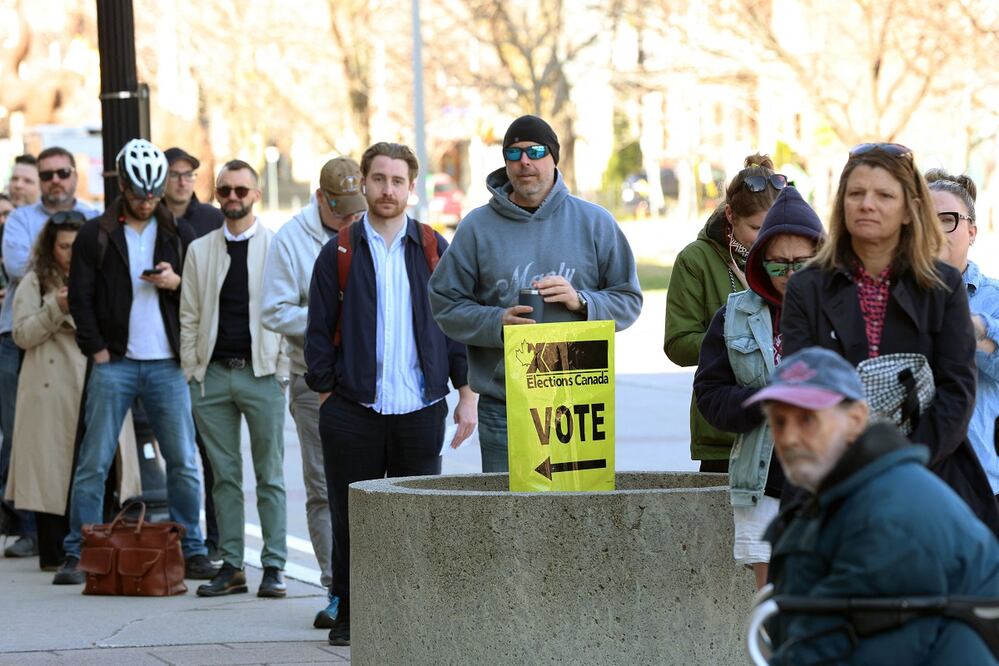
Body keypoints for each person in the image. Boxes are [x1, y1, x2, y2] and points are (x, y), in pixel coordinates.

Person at [780, 142, 999, 534]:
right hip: (832, 483)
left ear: (907, 209)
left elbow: (956, 391)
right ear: (841, 204)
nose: (868, 204)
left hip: (932, 481)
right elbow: (801, 387)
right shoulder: (807, 288)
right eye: (856, 193)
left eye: (884, 195)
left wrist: (900, 466)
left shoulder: (942, 285)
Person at [306, 142, 475, 646]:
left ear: (411, 187)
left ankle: (413, 617)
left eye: (397, 181)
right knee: (351, 517)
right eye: (378, 179)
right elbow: (317, 332)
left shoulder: (432, 248)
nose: (387, 189)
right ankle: (351, 615)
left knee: (416, 518)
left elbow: (455, 326)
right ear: (363, 182)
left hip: (420, 408)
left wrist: (464, 391)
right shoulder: (338, 250)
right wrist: (326, 396)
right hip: (353, 409)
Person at [744, 346, 999, 665]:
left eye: (808, 419)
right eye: (779, 422)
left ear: (856, 419)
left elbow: (831, 645)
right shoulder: (844, 496)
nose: (790, 437)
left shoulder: (889, 510)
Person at [428, 115, 642, 472]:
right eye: (513, 153)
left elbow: (629, 300)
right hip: (505, 404)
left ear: (553, 158)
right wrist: (497, 321)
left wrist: (582, 301)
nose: (524, 161)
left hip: (578, 404)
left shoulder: (594, 222)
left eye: (535, 151)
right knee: (508, 519)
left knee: (575, 517)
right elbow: (445, 303)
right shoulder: (476, 228)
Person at [56, 139, 215, 584]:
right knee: (95, 459)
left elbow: (198, 297)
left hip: (167, 364)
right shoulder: (96, 233)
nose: (147, 202)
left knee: (183, 458)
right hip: (116, 363)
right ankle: (79, 548)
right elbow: (81, 298)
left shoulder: (178, 233)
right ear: (122, 186)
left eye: (154, 193)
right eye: (138, 194)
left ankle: (192, 546)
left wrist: (174, 282)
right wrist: (98, 350)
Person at [693, 187, 823, 590]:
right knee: (772, 607)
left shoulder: (843, 310)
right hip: (765, 483)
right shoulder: (733, 316)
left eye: (801, 265)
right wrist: (767, 400)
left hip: (830, 480)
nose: (788, 276)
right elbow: (711, 395)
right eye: (778, 265)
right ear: (760, 261)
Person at [261, 156, 367, 628]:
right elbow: (272, 310)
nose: (350, 219)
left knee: (368, 485)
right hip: (313, 378)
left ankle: (374, 584)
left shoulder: (369, 226)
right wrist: (324, 320)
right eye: (341, 211)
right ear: (321, 199)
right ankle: (335, 589)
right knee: (324, 486)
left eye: (355, 210)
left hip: (368, 377)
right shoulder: (290, 238)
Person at [5, 212, 140, 570]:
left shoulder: (105, 276)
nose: (70, 253)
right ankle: (59, 554)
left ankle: (98, 550)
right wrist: (56, 307)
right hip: (52, 391)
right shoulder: (34, 282)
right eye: (63, 246)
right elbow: (21, 335)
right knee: (54, 473)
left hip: (100, 377)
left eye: (75, 245)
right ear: (51, 248)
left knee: (102, 466)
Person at [180, 160, 287, 598]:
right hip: (212, 377)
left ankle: (275, 566)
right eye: (224, 190)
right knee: (223, 476)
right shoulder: (200, 249)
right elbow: (188, 315)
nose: (232, 198)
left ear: (256, 195)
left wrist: (280, 370)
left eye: (241, 190)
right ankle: (232, 565)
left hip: (260, 375)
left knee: (271, 475)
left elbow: (288, 312)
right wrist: (192, 371)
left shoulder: (275, 247)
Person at [0, 146, 100, 557]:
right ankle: (33, 531)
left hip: (90, 361)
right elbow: (19, 265)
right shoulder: (22, 221)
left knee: (89, 451)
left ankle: (92, 535)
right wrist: (58, 305)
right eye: (47, 175)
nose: (55, 180)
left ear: (75, 174)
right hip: (36, 358)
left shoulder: (94, 215)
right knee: (30, 445)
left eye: (62, 173)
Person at [665, 154, 785, 472]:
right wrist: (737, 336)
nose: (767, 239)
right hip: (723, 437)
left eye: (773, 227)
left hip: (788, 436)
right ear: (731, 215)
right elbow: (677, 343)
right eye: (756, 228)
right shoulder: (696, 260)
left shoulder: (788, 258)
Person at [163, 145, 225, 561]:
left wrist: (178, 283)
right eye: (174, 174)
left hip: (208, 351)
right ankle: (183, 542)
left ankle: (218, 541)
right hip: (163, 350)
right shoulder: (150, 218)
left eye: (189, 174)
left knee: (212, 455)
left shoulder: (212, 221)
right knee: (178, 453)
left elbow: (223, 289)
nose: (182, 181)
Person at [926, 168, 999, 499]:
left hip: (983, 478)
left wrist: (969, 327)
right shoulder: (889, 298)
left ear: (971, 231)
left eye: (948, 219)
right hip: (912, 479)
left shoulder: (994, 298)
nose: (936, 231)